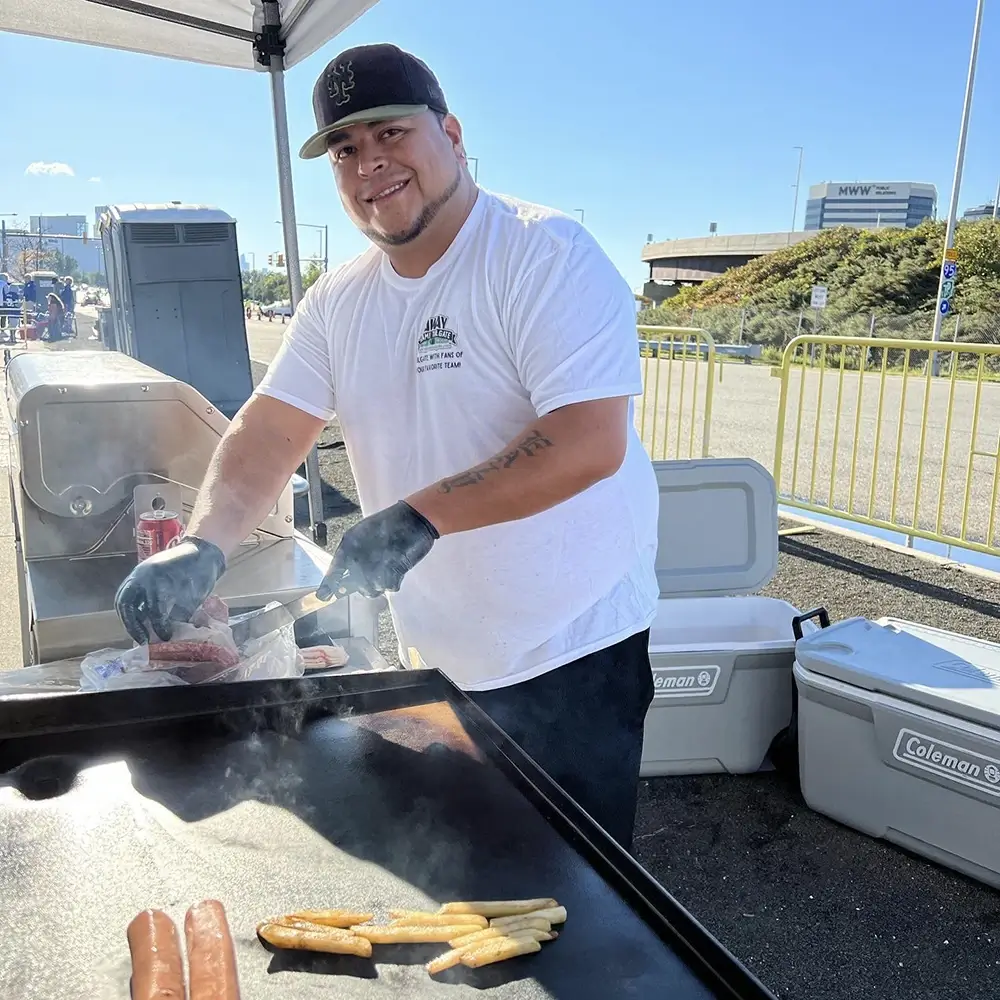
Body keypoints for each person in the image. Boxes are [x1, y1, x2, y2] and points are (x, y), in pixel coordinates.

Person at [114, 43, 659, 851]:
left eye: (391, 134)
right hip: (436, 654)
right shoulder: (340, 301)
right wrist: (203, 543)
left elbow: (586, 441)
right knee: (469, 881)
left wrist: (419, 516)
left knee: (579, 901)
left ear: (452, 132)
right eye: (346, 148)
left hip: (570, 650)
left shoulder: (545, 254)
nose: (370, 163)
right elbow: (269, 430)